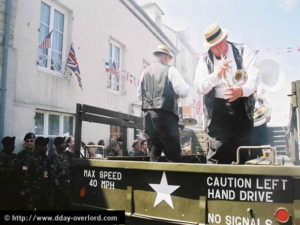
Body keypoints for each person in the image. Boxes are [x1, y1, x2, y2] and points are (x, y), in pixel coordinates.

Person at [194, 23, 259, 164]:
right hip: (218, 111)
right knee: (217, 152)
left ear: (225, 39)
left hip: (242, 106)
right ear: (209, 46)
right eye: (214, 46)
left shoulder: (242, 50)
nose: (219, 48)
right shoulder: (204, 59)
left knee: (243, 151)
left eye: (221, 44)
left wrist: (241, 91)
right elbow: (199, 87)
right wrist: (217, 74)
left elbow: (254, 78)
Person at [138, 44, 189, 162]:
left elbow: (139, 95)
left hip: (148, 117)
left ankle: (154, 178)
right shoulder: (170, 70)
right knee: (173, 153)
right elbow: (183, 90)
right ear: (166, 57)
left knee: (154, 152)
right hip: (166, 116)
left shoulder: (144, 72)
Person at [0, 136, 20, 209]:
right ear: (6, 146)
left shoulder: (15, 156)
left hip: (15, 190)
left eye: (13, 144)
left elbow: (23, 167)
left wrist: (25, 168)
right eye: (12, 145)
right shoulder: (1, 157)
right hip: (4, 191)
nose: (13, 147)